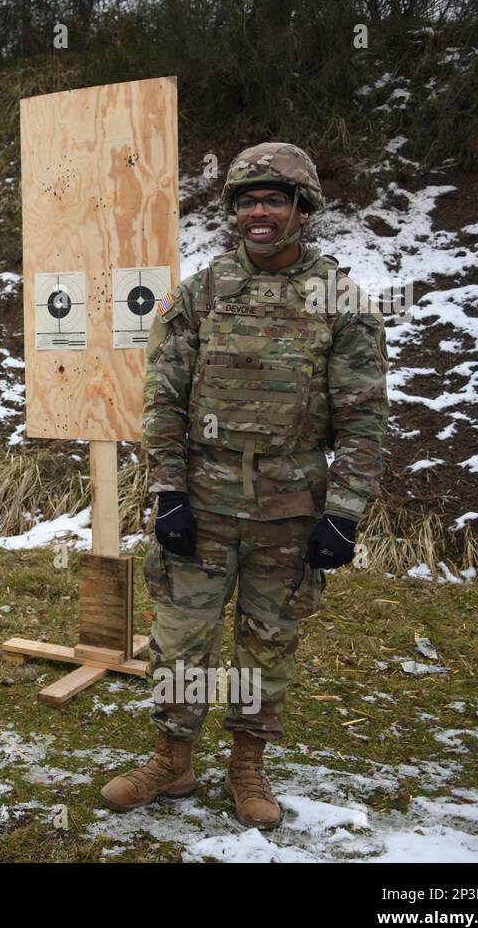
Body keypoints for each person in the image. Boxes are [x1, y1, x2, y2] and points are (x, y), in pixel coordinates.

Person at [101, 142, 389, 828]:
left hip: (291, 514)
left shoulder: (342, 302)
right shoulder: (198, 295)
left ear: (302, 209)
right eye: (246, 201)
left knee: (266, 642)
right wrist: (169, 490)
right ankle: (172, 758)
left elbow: (363, 421)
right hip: (201, 505)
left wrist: (343, 514)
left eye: (273, 199)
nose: (259, 213)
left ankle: (247, 766)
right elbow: (163, 401)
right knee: (181, 639)